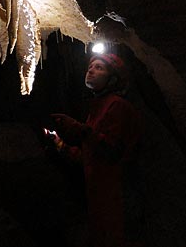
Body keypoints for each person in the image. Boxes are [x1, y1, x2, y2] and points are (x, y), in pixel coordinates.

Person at [45, 51, 145, 247]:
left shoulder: (118, 106)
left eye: (99, 68)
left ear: (113, 78)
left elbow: (111, 151)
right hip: (99, 194)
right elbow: (90, 157)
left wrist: (79, 129)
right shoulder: (97, 108)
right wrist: (60, 144)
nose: (90, 70)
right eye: (90, 67)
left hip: (117, 194)